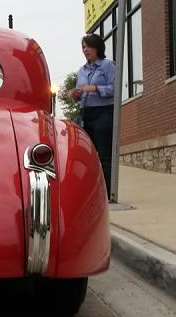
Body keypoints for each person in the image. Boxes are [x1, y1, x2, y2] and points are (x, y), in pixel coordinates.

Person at [69, 33, 115, 200]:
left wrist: (95, 88)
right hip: (86, 113)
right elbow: (80, 92)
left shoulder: (107, 65)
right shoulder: (82, 70)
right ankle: (92, 192)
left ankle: (109, 193)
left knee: (104, 155)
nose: (85, 49)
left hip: (103, 113)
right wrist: (75, 94)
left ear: (98, 48)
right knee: (87, 155)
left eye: (88, 46)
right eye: (83, 47)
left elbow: (114, 89)